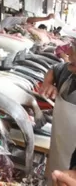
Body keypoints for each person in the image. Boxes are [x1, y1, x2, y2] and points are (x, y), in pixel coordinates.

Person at [40, 40, 76, 186]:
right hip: (58, 160)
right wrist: (47, 83)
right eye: (73, 48)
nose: (68, 54)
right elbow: (54, 69)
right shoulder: (69, 72)